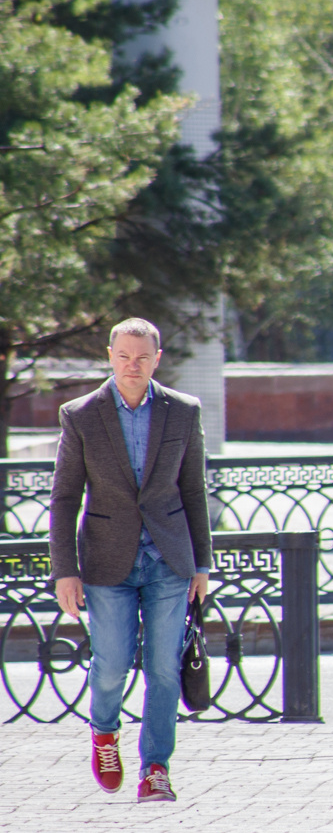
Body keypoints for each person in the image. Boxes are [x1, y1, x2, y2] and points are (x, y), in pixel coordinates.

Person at [50, 318, 213, 804]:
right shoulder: (81, 414)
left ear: (156, 358)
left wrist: (202, 565)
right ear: (109, 355)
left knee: (164, 669)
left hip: (168, 558)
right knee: (112, 665)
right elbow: (64, 497)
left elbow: (194, 492)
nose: (132, 365)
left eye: (142, 357)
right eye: (123, 356)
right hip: (105, 560)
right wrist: (65, 570)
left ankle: (156, 769)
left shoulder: (183, 411)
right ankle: (105, 734)